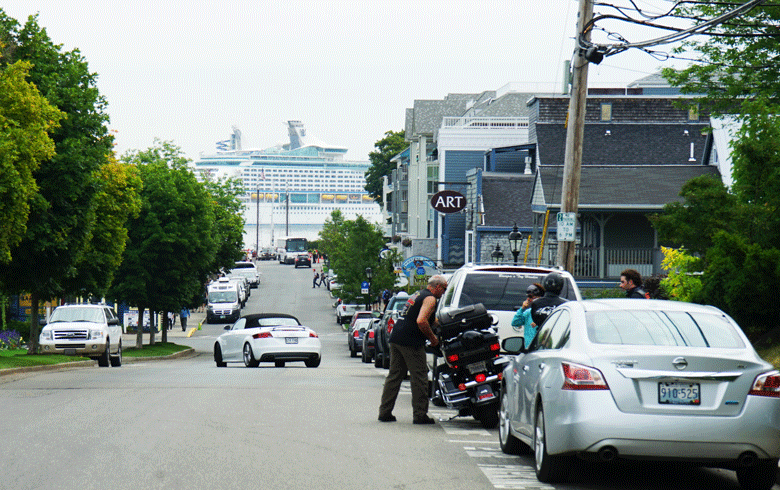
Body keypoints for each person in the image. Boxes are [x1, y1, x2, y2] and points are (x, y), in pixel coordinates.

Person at [378, 275, 447, 425]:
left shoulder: (417, 295)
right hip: (411, 341)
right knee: (420, 377)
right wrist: (433, 339)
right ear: (438, 287)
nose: (444, 293)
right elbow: (421, 320)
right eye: (444, 289)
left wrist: (442, 325)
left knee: (394, 376)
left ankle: (384, 412)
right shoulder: (430, 299)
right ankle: (420, 415)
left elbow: (426, 318)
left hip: (396, 337)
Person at [511, 283, 544, 348]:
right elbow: (515, 322)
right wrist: (522, 309)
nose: (529, 299)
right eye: (528, 297)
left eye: (531, 297)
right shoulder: (528, 313)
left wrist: (539, 322)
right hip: (529, 349)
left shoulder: (546, 312)